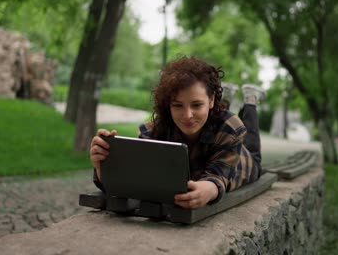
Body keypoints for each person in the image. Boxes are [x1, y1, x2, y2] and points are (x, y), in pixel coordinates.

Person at [89, 56, 266, 209]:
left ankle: (250, 100)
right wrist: (103, 168)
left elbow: (217, 177)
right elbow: (138, 183)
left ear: (211, 99)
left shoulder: (230, 128)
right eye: (178, 105)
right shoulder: (152, 132)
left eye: (196, 104)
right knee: (209, 116)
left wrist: (210, 189)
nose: (187, 115)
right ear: (168, 105)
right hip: (213, 125)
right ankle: (223, 97)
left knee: (249, 144)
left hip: (244, 162)